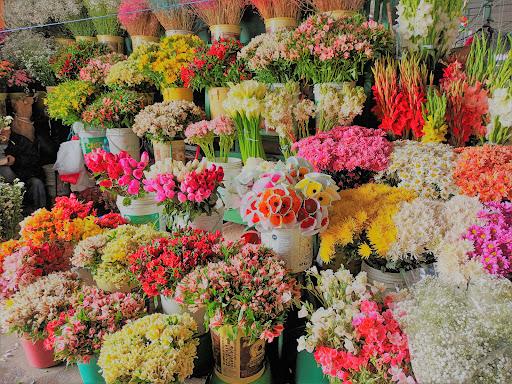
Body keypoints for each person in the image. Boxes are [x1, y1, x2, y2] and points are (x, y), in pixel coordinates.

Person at [0, 124, 46, 213]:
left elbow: (33, 160)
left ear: (9, 131)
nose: (1, 135)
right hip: (2, 185)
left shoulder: (19, 141)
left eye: (2, 132)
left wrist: (16, 160)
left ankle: (41, 215)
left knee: (36, 184)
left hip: (20, 180)